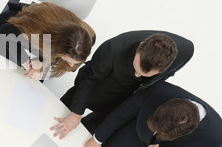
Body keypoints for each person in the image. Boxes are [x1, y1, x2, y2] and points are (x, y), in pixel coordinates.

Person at [50, 30, 194, 138]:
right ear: (141, 46)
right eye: (137, 69)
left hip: (122, 99)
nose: (137, 75)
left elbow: (169, 73)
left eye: (144, 75)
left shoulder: (186, 50)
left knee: (86, 134)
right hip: (99, 86)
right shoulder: (114, 48)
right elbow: (90, 79)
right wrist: (76, 114)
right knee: (58, 119)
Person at [83, 81, 222, 147]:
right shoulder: (159, 90)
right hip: (125, 142)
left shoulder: (217, 135)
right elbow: (122, 113)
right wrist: (97, 139)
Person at [0, 2, 95, 80]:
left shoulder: (85, 37)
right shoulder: (36, 33)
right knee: (5, 68)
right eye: (69, 60)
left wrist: (40, 65)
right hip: (11, 26)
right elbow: (5, 32)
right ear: (58, 49)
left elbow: (50, 56)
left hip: (46, 40)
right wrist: (27, 62)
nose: (71, 66)